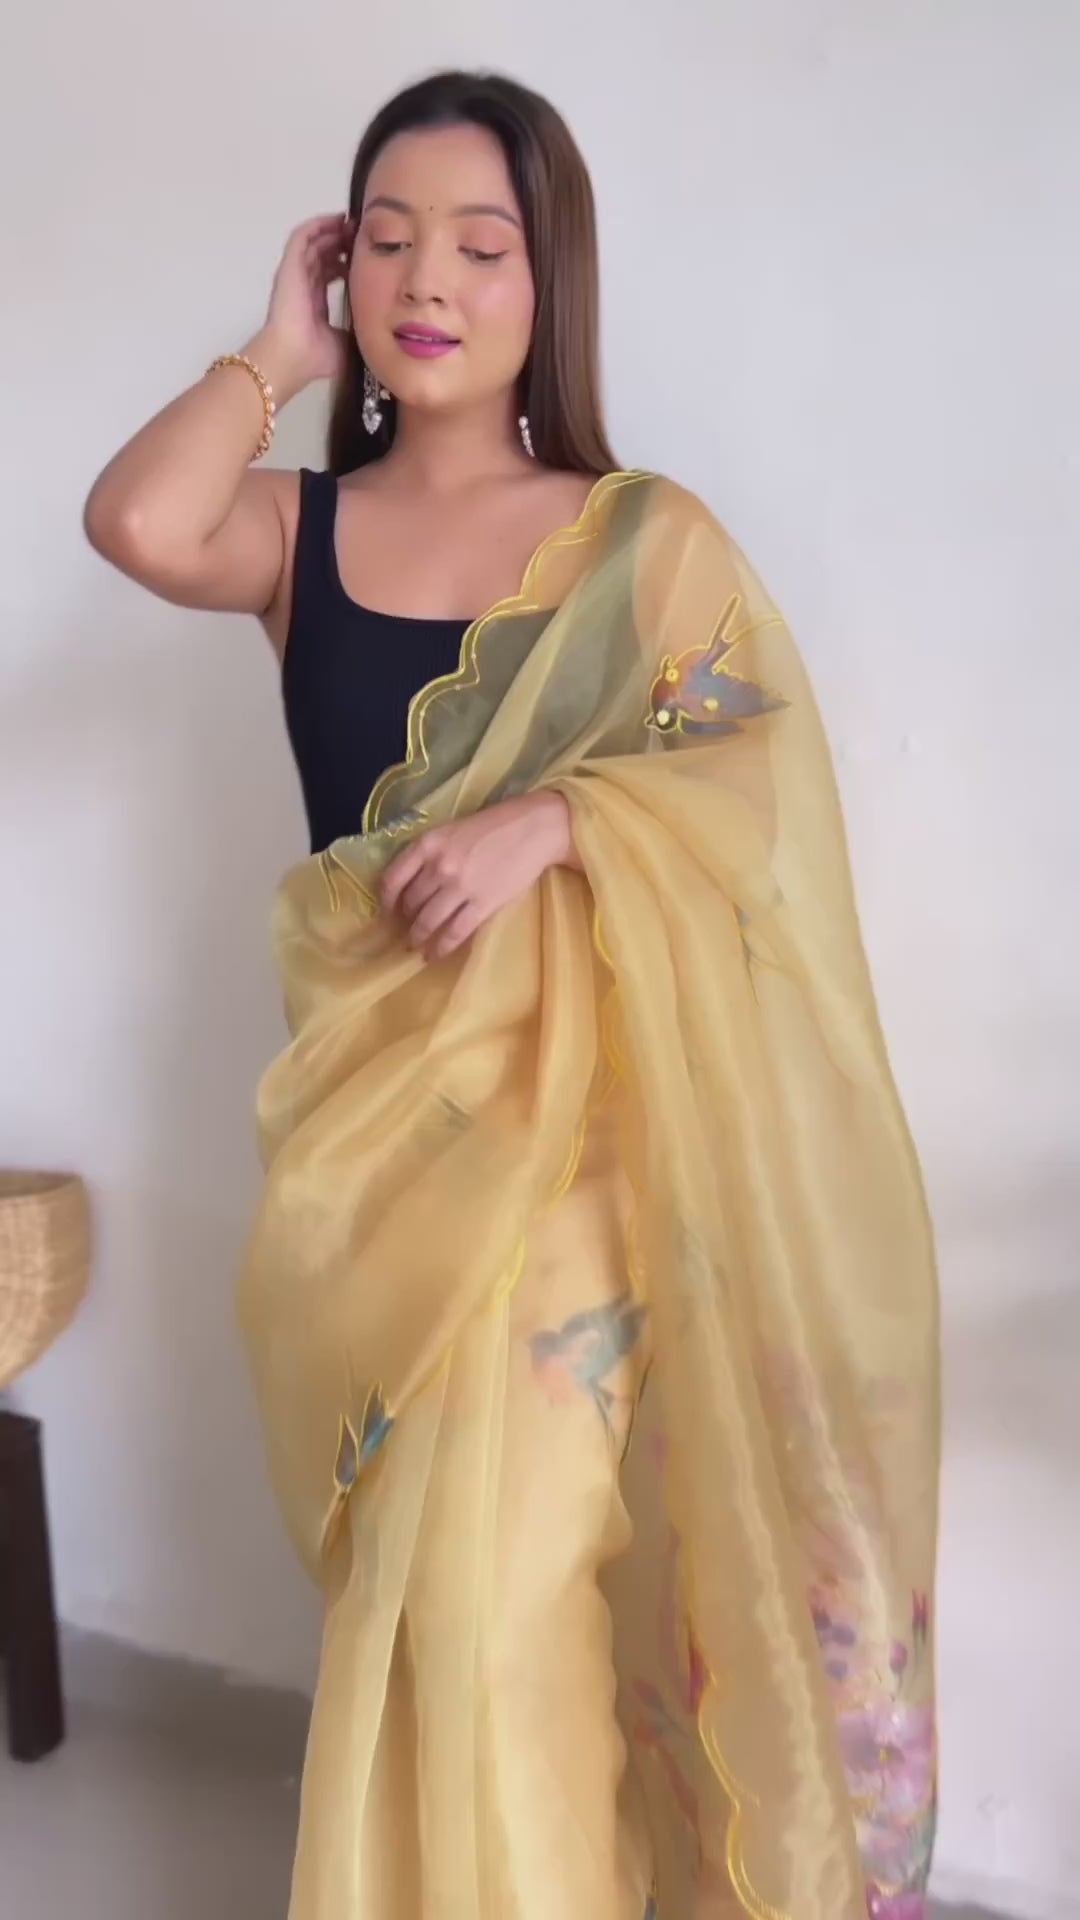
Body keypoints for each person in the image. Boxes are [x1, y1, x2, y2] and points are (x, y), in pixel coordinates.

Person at [84, 69, 939, 1920]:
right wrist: (273, 353)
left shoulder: (643, 544)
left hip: (571, 1177)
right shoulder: (298, 536)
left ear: (550, 280)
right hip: (373, 1168)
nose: (428, 280)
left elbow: (760, 783)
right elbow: (137, 522)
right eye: (388, 239)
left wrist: (558, 819)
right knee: (412, 1608)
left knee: (498, 1601)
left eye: (481, 245)